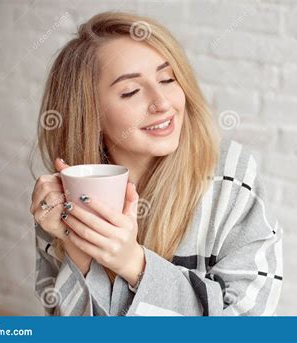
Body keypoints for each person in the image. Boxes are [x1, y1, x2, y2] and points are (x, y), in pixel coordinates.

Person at [30, 11, 283, 316]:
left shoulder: (230, 174)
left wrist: (134, 264)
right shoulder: (65, 197)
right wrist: (78, 254)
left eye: (167, 79)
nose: (162, 102)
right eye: (131, 91)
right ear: (90, 113)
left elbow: (247, 319)